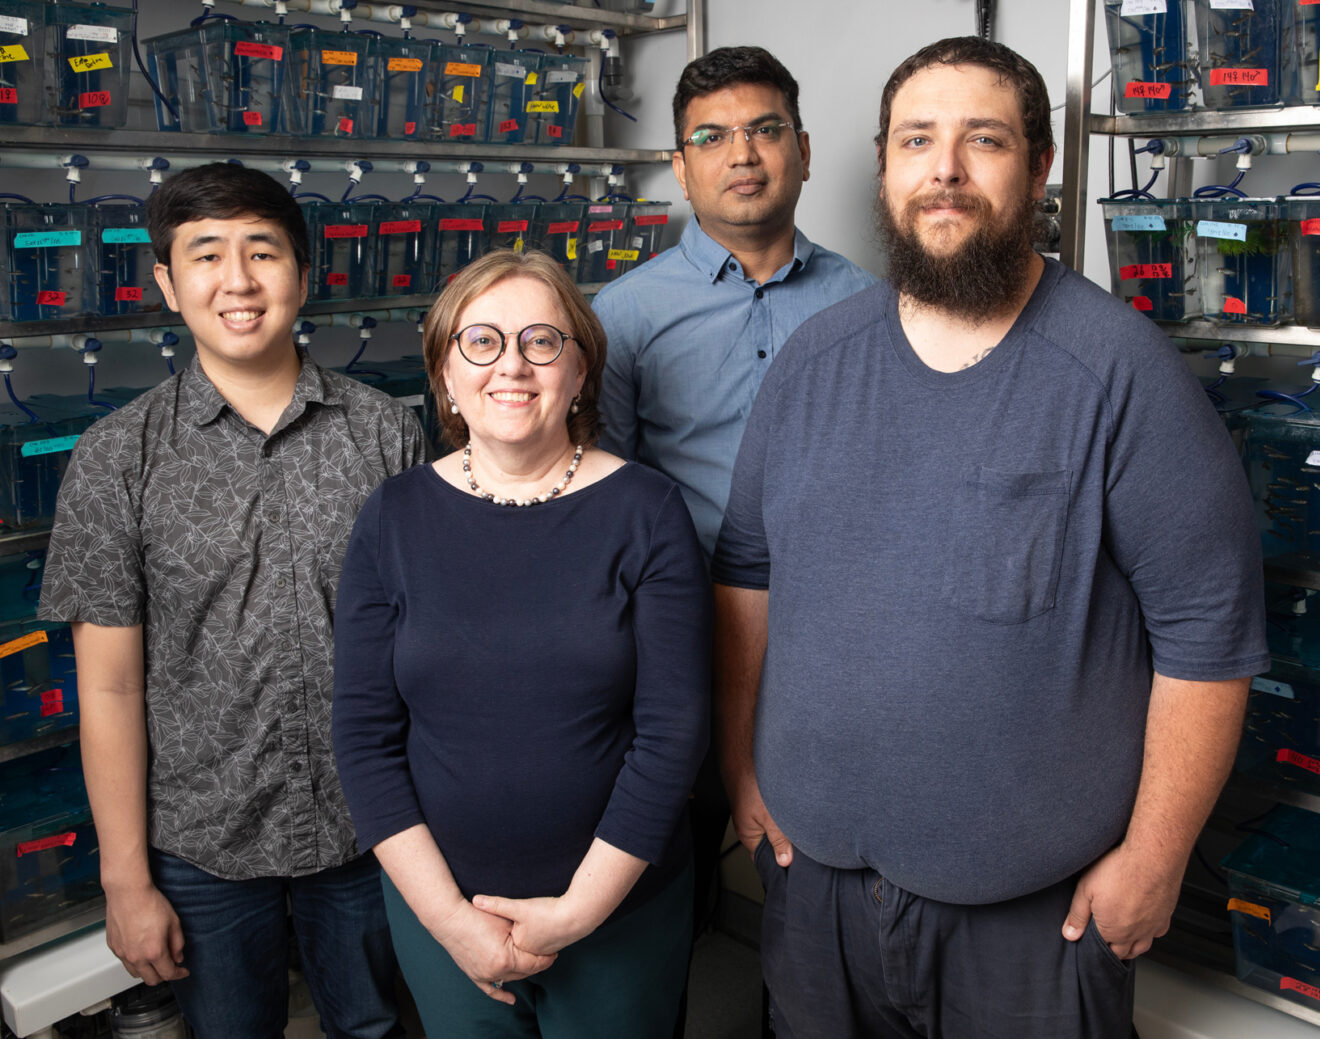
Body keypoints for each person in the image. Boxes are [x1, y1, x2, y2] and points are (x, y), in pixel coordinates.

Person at [712, 37, 1269, 1038]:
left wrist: (1155, 857)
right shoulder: (811, 362)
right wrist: (741, 771)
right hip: (816, 889)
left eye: (986, 141)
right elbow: (746, 575)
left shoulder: (1122, 376)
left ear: (1040, 166)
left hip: (1032, 928)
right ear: (884, 165)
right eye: (918, 141)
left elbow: (1209, 640)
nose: (946, 171)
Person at [39, 163, 422, 1038]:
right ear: (169, 284)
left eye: (263, 252)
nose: (239, 281)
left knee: (376, 1027)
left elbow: (424, 637)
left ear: (304, 269)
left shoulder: (385, 432)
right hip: (203, 842)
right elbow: (106, 687)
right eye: (206, 255)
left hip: (373, 823)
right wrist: (125, 880)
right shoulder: (116, 457)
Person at [331, 249, 711, 1038]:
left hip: (621, 914)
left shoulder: (648, 511)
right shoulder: (393, 518)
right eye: (481, 342)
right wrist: (449, 921)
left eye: (542, 341)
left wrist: (578, 912)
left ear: (580, 373)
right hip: (445, 915)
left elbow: (672, 733)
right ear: (444, 374)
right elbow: (364, 740)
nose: (512, 364)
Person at [592, 44, 876, 965]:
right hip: (675, 641)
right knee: (662, 882)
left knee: (817, 883)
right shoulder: (622, 317)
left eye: (763, 130)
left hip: (826, 642)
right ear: (681, 166)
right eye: (710, 137)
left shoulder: (874, 309)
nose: (740, 153)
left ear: (800, 147)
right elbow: (608, 499)